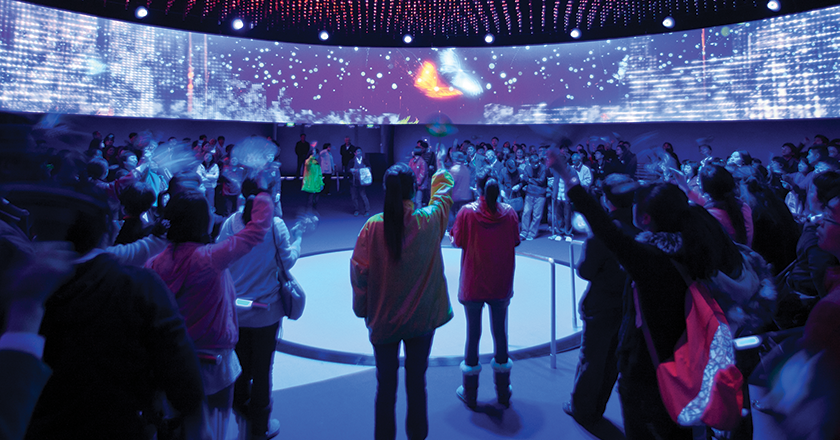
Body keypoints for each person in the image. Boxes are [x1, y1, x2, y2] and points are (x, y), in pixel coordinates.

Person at [547, 146, 746, 440]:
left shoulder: (650, 260)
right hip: (690, 352)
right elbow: (698, 214)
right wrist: (682, 190)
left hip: (650, 365)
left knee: (652, 424)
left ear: (647, 219)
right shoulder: (697, 243)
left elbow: (605, 229)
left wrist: (566, 176)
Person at [146, 190, 273, 438]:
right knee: (214, 429)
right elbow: (256, 231)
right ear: (202, 220)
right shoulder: (209, 258)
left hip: (173, 358)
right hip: (213, 362)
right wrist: (263, 194)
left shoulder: (153, 263)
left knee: (178, 427)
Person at [351, 154, 453, 440]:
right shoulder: (429, 222)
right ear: (413, 188)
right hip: (422, 321)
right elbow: (444, 196)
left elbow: (360, 273)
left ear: (385, 189)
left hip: (383, 321)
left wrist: (363, 309)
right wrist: (441, 168)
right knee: (417, 383)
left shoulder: (372, 227)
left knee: (385, 388)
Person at [218, 179, 303, 440]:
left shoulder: (230, 223)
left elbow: (220, 259)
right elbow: (287, 260)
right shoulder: (275, 225)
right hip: (266, 312)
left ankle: (242, 418)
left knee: (240, 367)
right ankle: (260, 428)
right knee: (263, 369)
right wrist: (298, 238)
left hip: (235, 311)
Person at [564, 174, 640, 427]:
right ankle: (597, 407)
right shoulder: (643, 228)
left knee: (592, 358)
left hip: (601, 304)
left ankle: (582, 409)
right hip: (629, 304)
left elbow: (585, 270)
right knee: (612, 360)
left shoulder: (603, 232)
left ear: (607, 200)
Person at [449, 168, 520, 409]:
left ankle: (470, 392)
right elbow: (515, 240)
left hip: (474, 282)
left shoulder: (466, 213)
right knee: (501, 333)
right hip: (500, 282)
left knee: (473, 334)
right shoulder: (509, 213)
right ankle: (503, 391)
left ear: (477, 189)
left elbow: (457, 241)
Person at [349, 148, 371, 216]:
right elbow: (348, 169)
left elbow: (369, 167)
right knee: (354, 196)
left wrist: (365, 169)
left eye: (360, 151)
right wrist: (352, 170)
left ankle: (367, 210)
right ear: (354, 153)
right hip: (353, 181)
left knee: (363, 195)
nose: (359, 153)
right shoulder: (352, 161)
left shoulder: (364, 160)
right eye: (358, 151)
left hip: (362, 181)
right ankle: (356, 210)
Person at [302, 147, 324, 213]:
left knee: (315, 200)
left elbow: (320, 174)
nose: (318, 156)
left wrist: (321, 184)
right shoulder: (308, 162)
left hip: (316, 185)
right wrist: (312, 156)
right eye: (317, 155)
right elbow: (308, 163)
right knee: (310, 201)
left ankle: (313, 212)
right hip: (310, 185)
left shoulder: (317, 164)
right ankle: (308, 213)